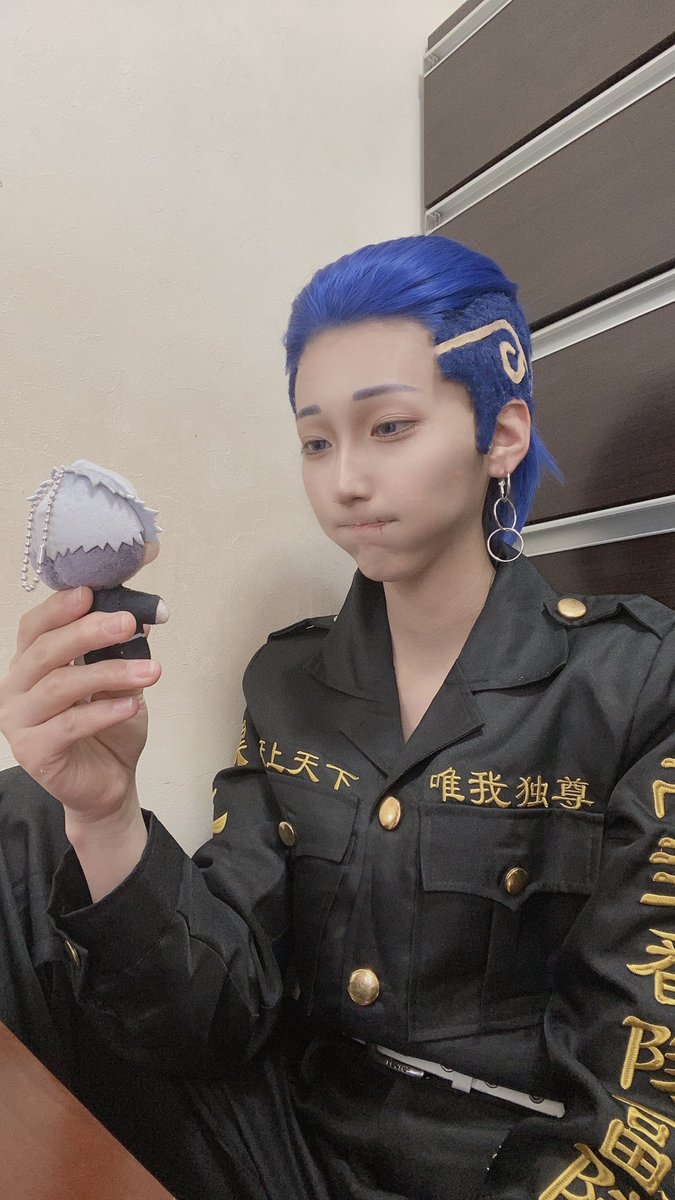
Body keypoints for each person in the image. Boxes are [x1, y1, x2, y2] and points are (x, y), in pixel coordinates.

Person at [1, 235, 674, 1200]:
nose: (344, 479)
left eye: (388, 427)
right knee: (27, 818)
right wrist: (102, 814)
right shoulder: (288, 680)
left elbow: (640, 1098)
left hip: (497, 1169)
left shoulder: (635, 683)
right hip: (292, 1146)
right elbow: (214, 1015)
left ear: (501, 434)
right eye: (317, 441)